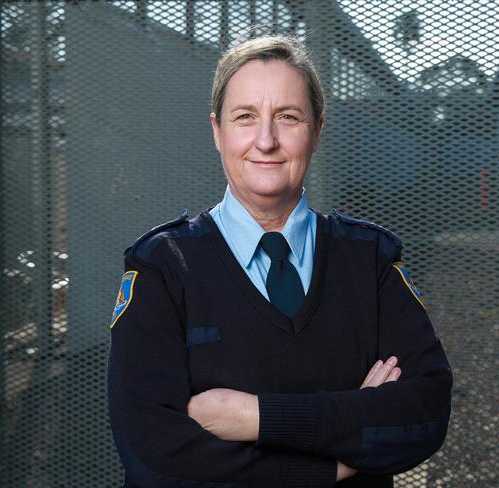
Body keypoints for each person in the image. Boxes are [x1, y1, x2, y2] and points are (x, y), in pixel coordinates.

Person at [107, 35, 452, 488]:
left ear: (317, 130)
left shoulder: (369, 261)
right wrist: (333, 464)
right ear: (217, 131)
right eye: (245, 117)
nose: (266, 140)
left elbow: (423, 414)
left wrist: (254, 416)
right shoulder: (163, 268)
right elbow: (155, 461)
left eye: (288, 117)